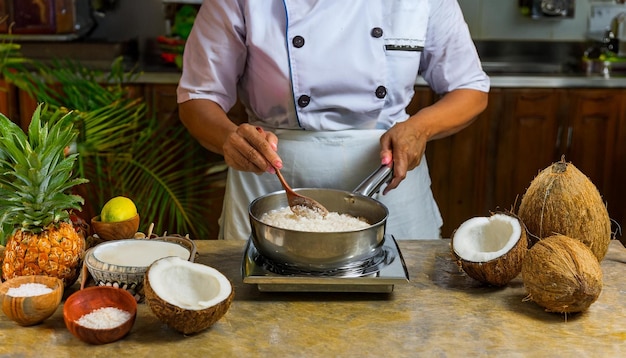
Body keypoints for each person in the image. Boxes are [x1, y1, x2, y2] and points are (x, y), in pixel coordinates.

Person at [177, 0, 490, 241]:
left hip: (388, 179)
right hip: (272, 182)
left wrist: (418, 128)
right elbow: (198, 96)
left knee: (402, 317)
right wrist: (229, 139)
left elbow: (470, 88)